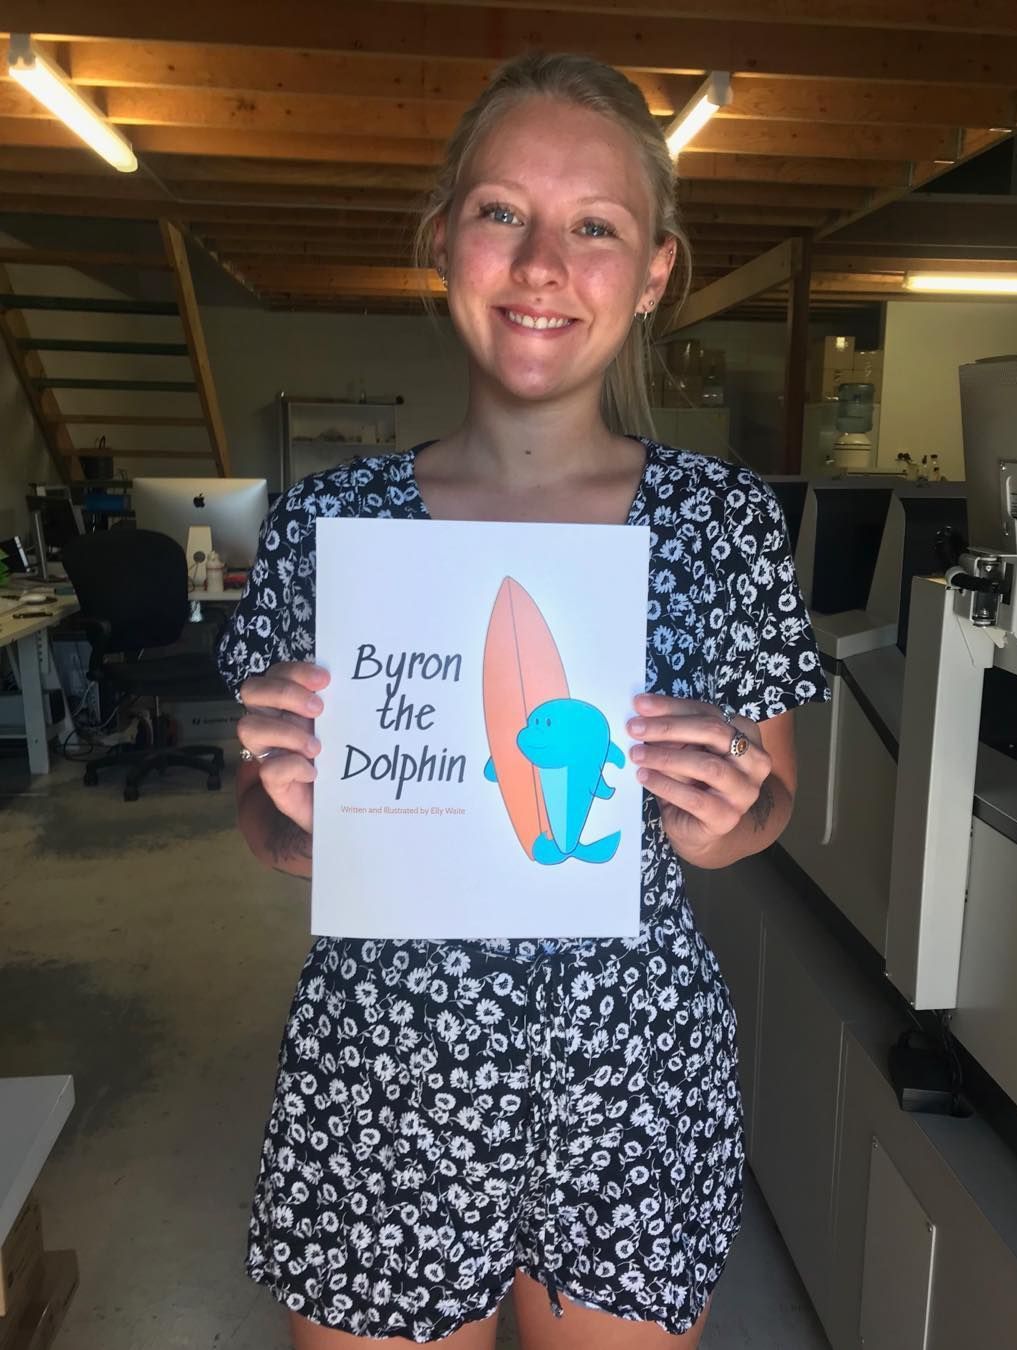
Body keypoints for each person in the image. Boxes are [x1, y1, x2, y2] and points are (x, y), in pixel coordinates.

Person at [217, 51, 828, 1350]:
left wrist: (730, 818)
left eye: (595, 226)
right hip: (382, 1074)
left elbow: (773, 797)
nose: (545, 264)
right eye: (503, 211)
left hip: (633, 1078)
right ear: (444, 239)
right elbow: (269, 834)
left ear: (655, 269)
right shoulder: (328, 521)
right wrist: (295, 811)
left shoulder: (722, 523)